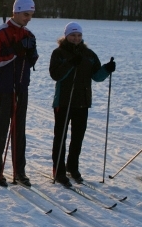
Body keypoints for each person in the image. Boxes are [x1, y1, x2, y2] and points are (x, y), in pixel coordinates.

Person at [49, 22, 116, 187]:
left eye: (78, 35)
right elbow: (56, 75)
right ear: (66, 36)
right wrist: (71, 63)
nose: (76, 38)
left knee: (78, 137)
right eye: (72, 35)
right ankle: (58, 170)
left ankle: (72, 167)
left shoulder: (89, 54)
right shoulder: (59, 53)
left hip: (82, 102)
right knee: (61, 136)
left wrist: (107, 69)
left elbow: (96, 76)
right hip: (64, 102)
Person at [0, 0, 39, 187]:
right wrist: (15, 51)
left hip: (21, 87)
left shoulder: (29, 35)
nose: (28, 18)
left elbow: (31, 60)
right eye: (26, 14)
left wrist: (31, 54)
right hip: (4, 87)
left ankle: (20, 171)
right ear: (16, 12)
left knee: (19, 130)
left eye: (31, 15)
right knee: (1, 128)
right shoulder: (1, 32)